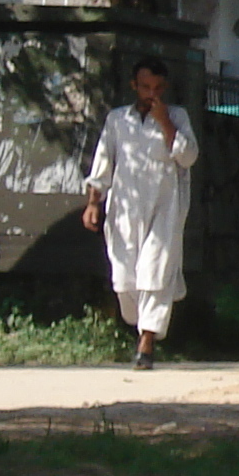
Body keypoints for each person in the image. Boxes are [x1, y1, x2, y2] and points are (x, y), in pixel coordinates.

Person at [82, 57, 199, 371]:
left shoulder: (177, 117)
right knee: (125, 280)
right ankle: (139, 323)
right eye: (146, 87)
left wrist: (165, 122)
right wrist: (94, 202)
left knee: (155, 271)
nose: (152, 93)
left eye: (158, 88)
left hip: (165, 208)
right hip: (124, 209)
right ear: (135, 86)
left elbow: (188, 157)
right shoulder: (118, 120)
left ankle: (146, 344)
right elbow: (103, 163)